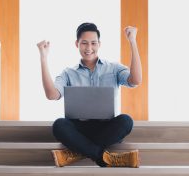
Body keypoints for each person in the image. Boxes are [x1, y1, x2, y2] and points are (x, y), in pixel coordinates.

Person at [37, 23, 142, 168]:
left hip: (106, 128)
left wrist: (133, 41)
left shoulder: (114, 68)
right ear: (77, 44)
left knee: (126, 121)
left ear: (99, 44)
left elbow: (136, 80)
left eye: (93, 43)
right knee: (59, 125)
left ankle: (78, 152)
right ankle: (105, 158)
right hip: (78, 128)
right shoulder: (68, 73)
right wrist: (43, 57)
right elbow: (51, 95)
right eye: (84, 43)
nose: (89, 48)